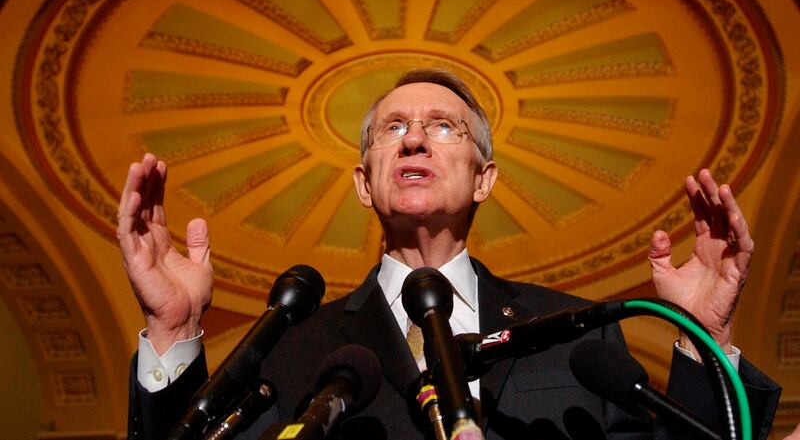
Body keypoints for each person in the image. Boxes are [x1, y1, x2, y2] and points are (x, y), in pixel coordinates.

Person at [121, 69, 780, 440]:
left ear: (484, 177)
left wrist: (707, 336)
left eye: (442, 126)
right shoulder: (294, 346)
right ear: (363, 180)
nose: (414, 141)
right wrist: (173, 330)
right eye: (393, 129)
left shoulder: (581, 336)